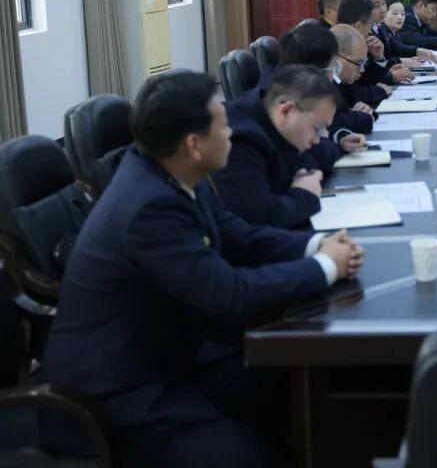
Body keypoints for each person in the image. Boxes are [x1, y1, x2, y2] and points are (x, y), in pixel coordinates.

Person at [41, 70, 363, 468]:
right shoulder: (149, 208)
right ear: (194, 144)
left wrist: (316, 245)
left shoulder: (172, 173)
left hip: (175, 349)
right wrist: (324, 267)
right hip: (119, 391)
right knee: (255, 457)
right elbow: (231, 293)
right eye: (223, 127)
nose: (232, 133)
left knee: (299, 385)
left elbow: (241, 236)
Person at [217, 65, 355, 230]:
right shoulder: (240, 140)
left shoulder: (271, 120)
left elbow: (307, 160)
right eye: (317, 128)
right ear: (286, 111)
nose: (317, 140)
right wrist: (304, 195)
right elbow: (259, 218)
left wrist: (304, 175)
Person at [338, 0, 413, 90]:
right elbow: (352, 90)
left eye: (384, 4)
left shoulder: (367, 38)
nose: (371, 30)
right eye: (370, 25)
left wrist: (379, 58)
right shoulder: (342, 47)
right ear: (358, 26)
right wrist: (380, 89)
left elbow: (368, 79)